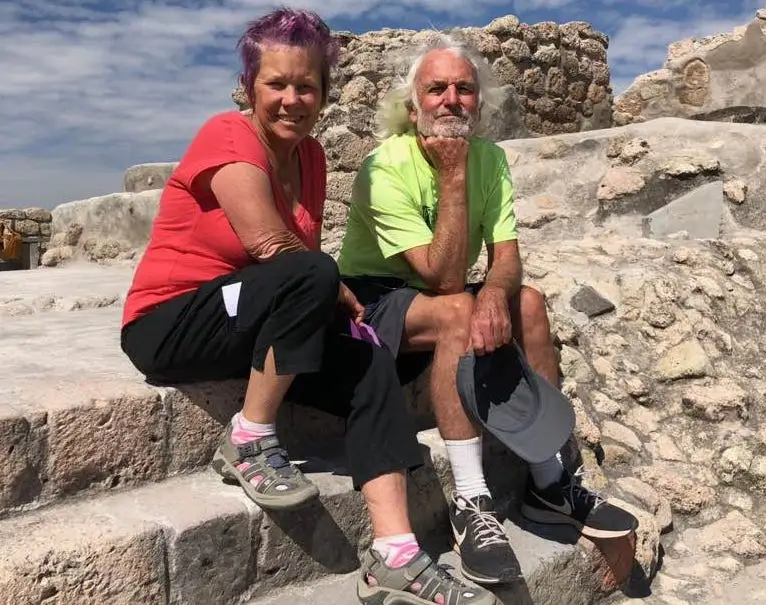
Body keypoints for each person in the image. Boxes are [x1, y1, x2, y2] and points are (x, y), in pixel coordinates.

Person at [120, 10, 498, 605]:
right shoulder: (228, 134)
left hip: (253, 323)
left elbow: (296, 273)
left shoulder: (312, 157)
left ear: (324, 92)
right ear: (251, 87)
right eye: (278, 84)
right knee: (315, 273)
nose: (293, 99)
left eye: (307, 86)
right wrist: (337, 294)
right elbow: (271, 247)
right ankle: (249, 436)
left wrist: (343, 321)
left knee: (367, 361)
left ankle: (395, 555)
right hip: (171, 321)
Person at [338, 32, 638, 585]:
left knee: (528, 304)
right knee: (456, 307)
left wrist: (496, 294)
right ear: (413, 106)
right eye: (437, 89)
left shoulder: (491, 158)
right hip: (375, 299)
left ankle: (549, 482)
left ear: (479, 101)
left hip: (441, 291)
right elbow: (443, 277)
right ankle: (471, 500)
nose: (452, 100)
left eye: (464, 89)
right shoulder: (386, 165)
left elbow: (506, 257)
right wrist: (452, 174)